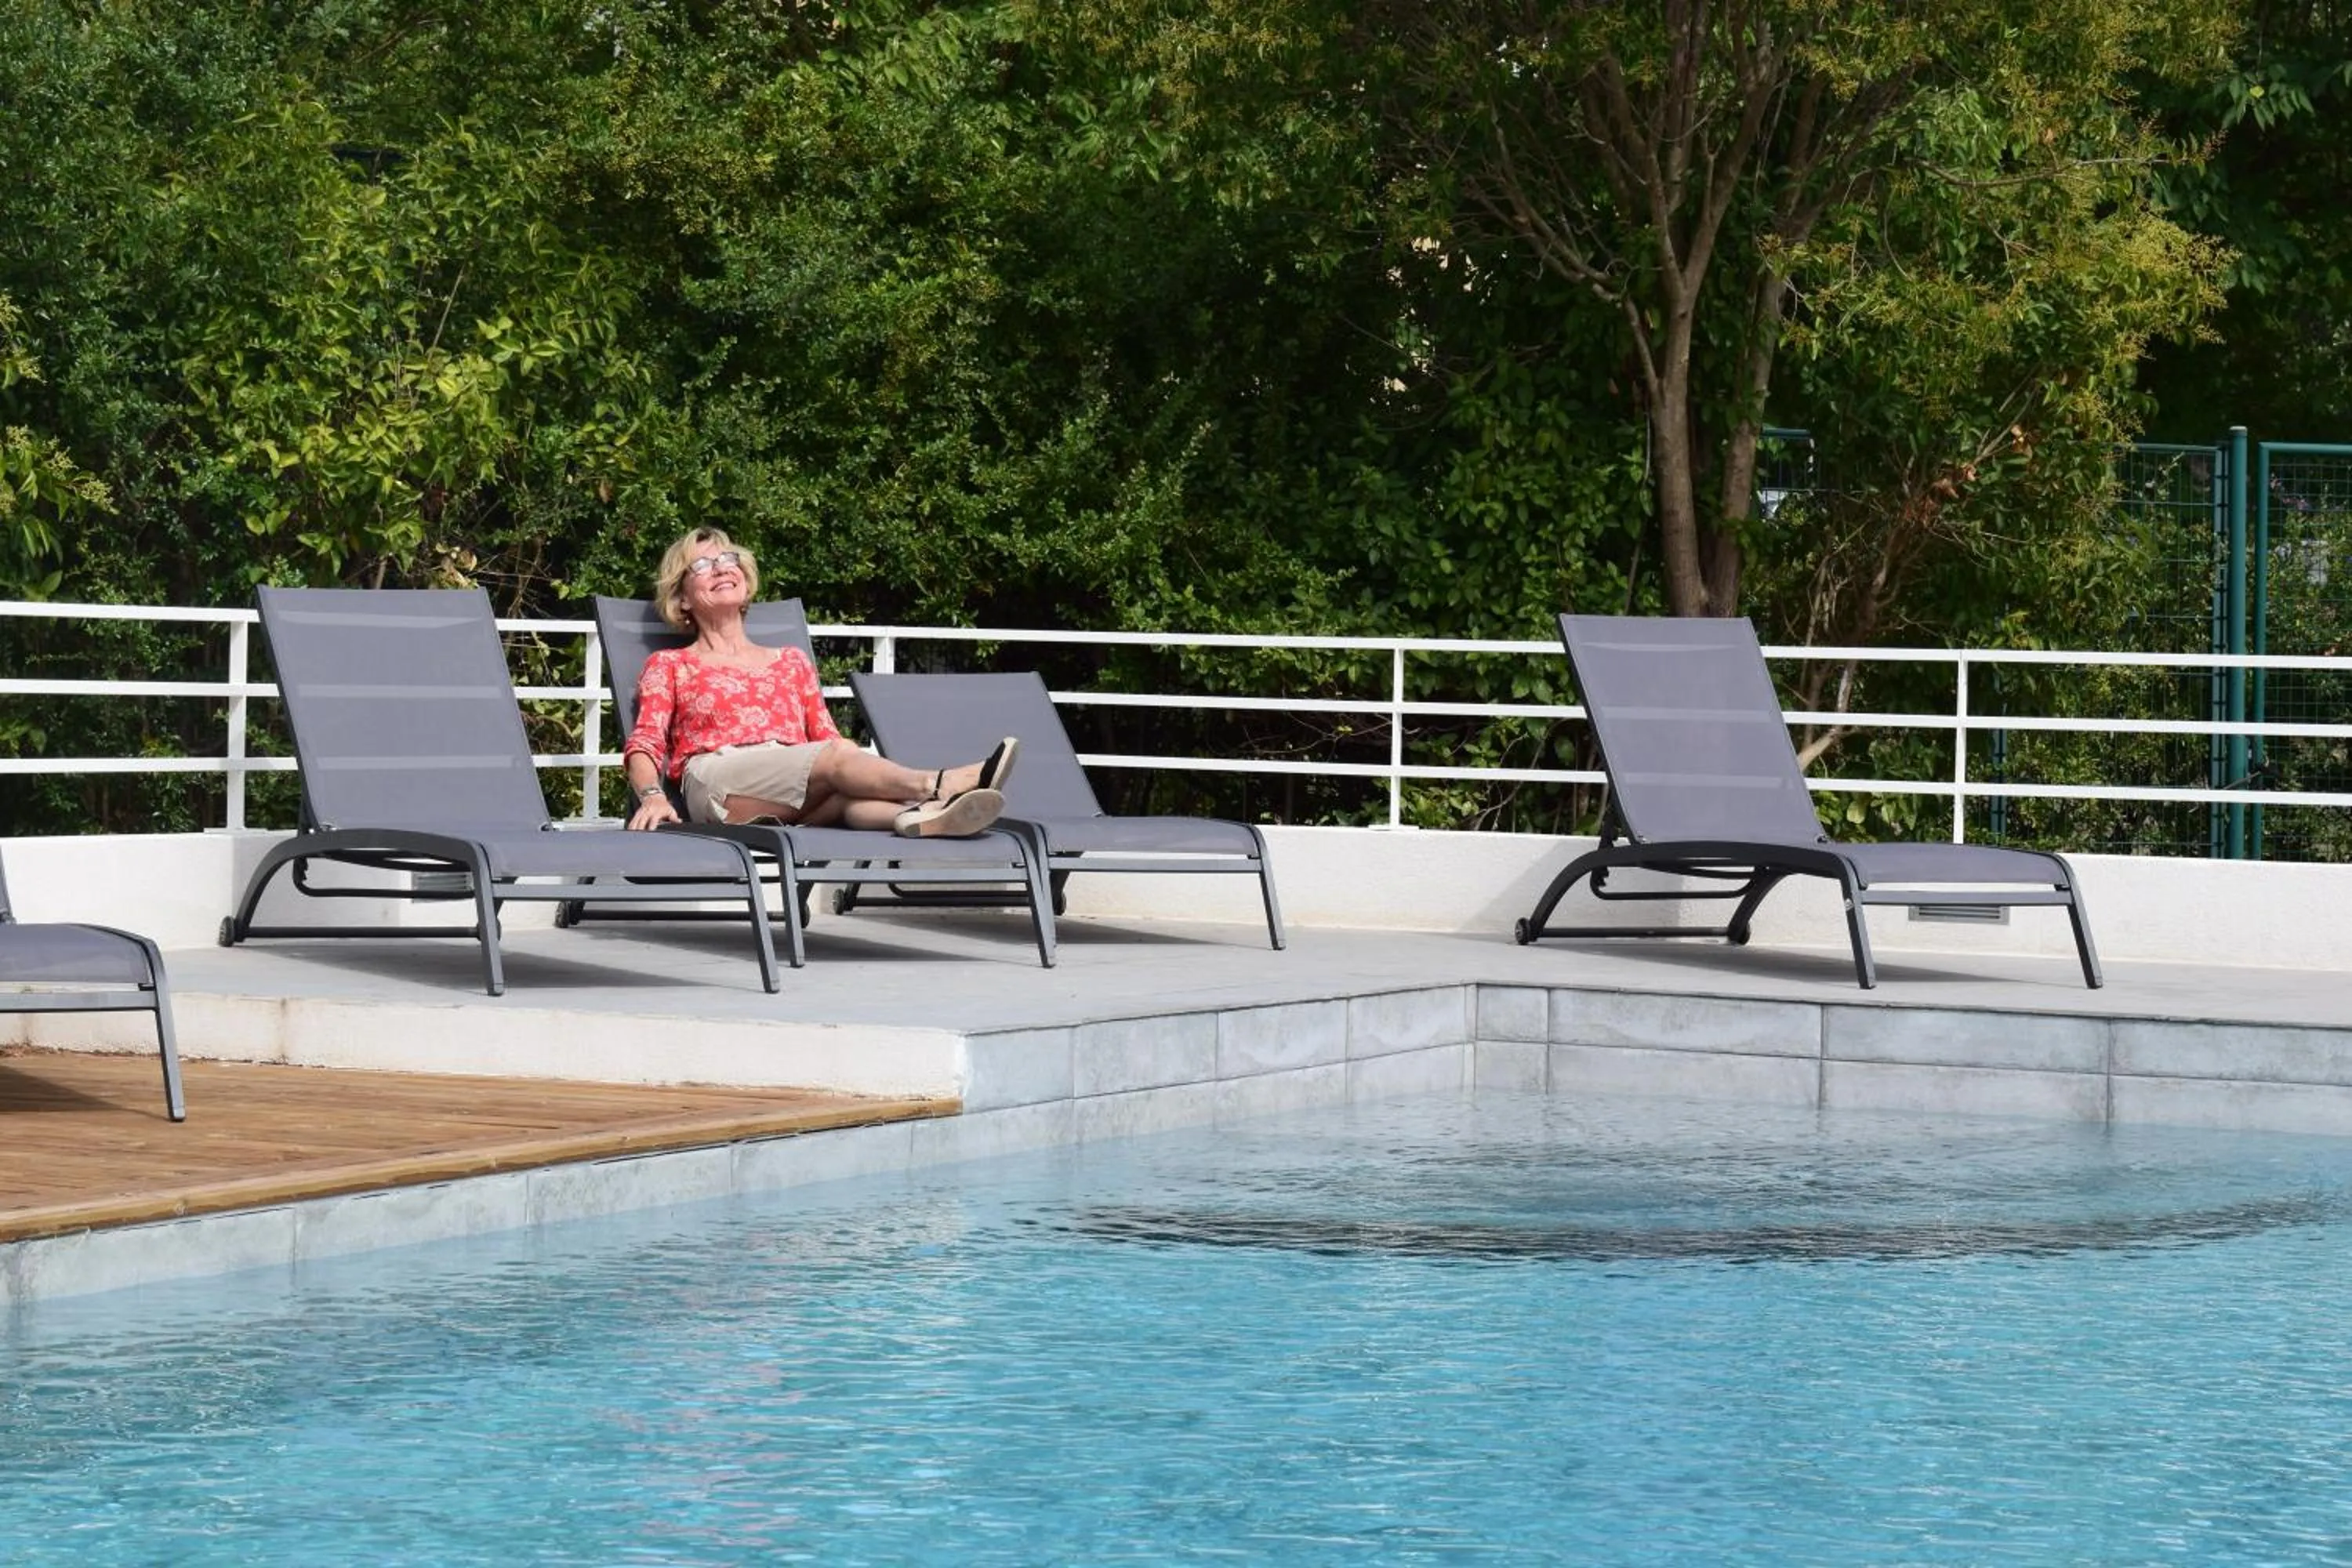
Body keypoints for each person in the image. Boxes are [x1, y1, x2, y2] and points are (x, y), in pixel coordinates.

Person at [621, 528, 1016, 837]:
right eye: (703, 566)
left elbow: (828, 739)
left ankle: (926, 818)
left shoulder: (791, 663)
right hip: (720, 783)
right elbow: (644, 743)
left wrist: (855, 766)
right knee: (835, 757)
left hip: (797, 789)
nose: (722, 568)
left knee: (847, 793)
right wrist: (652, 797)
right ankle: (939, 785)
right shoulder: (672, 664)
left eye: (728, 559)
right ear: (683, 598)